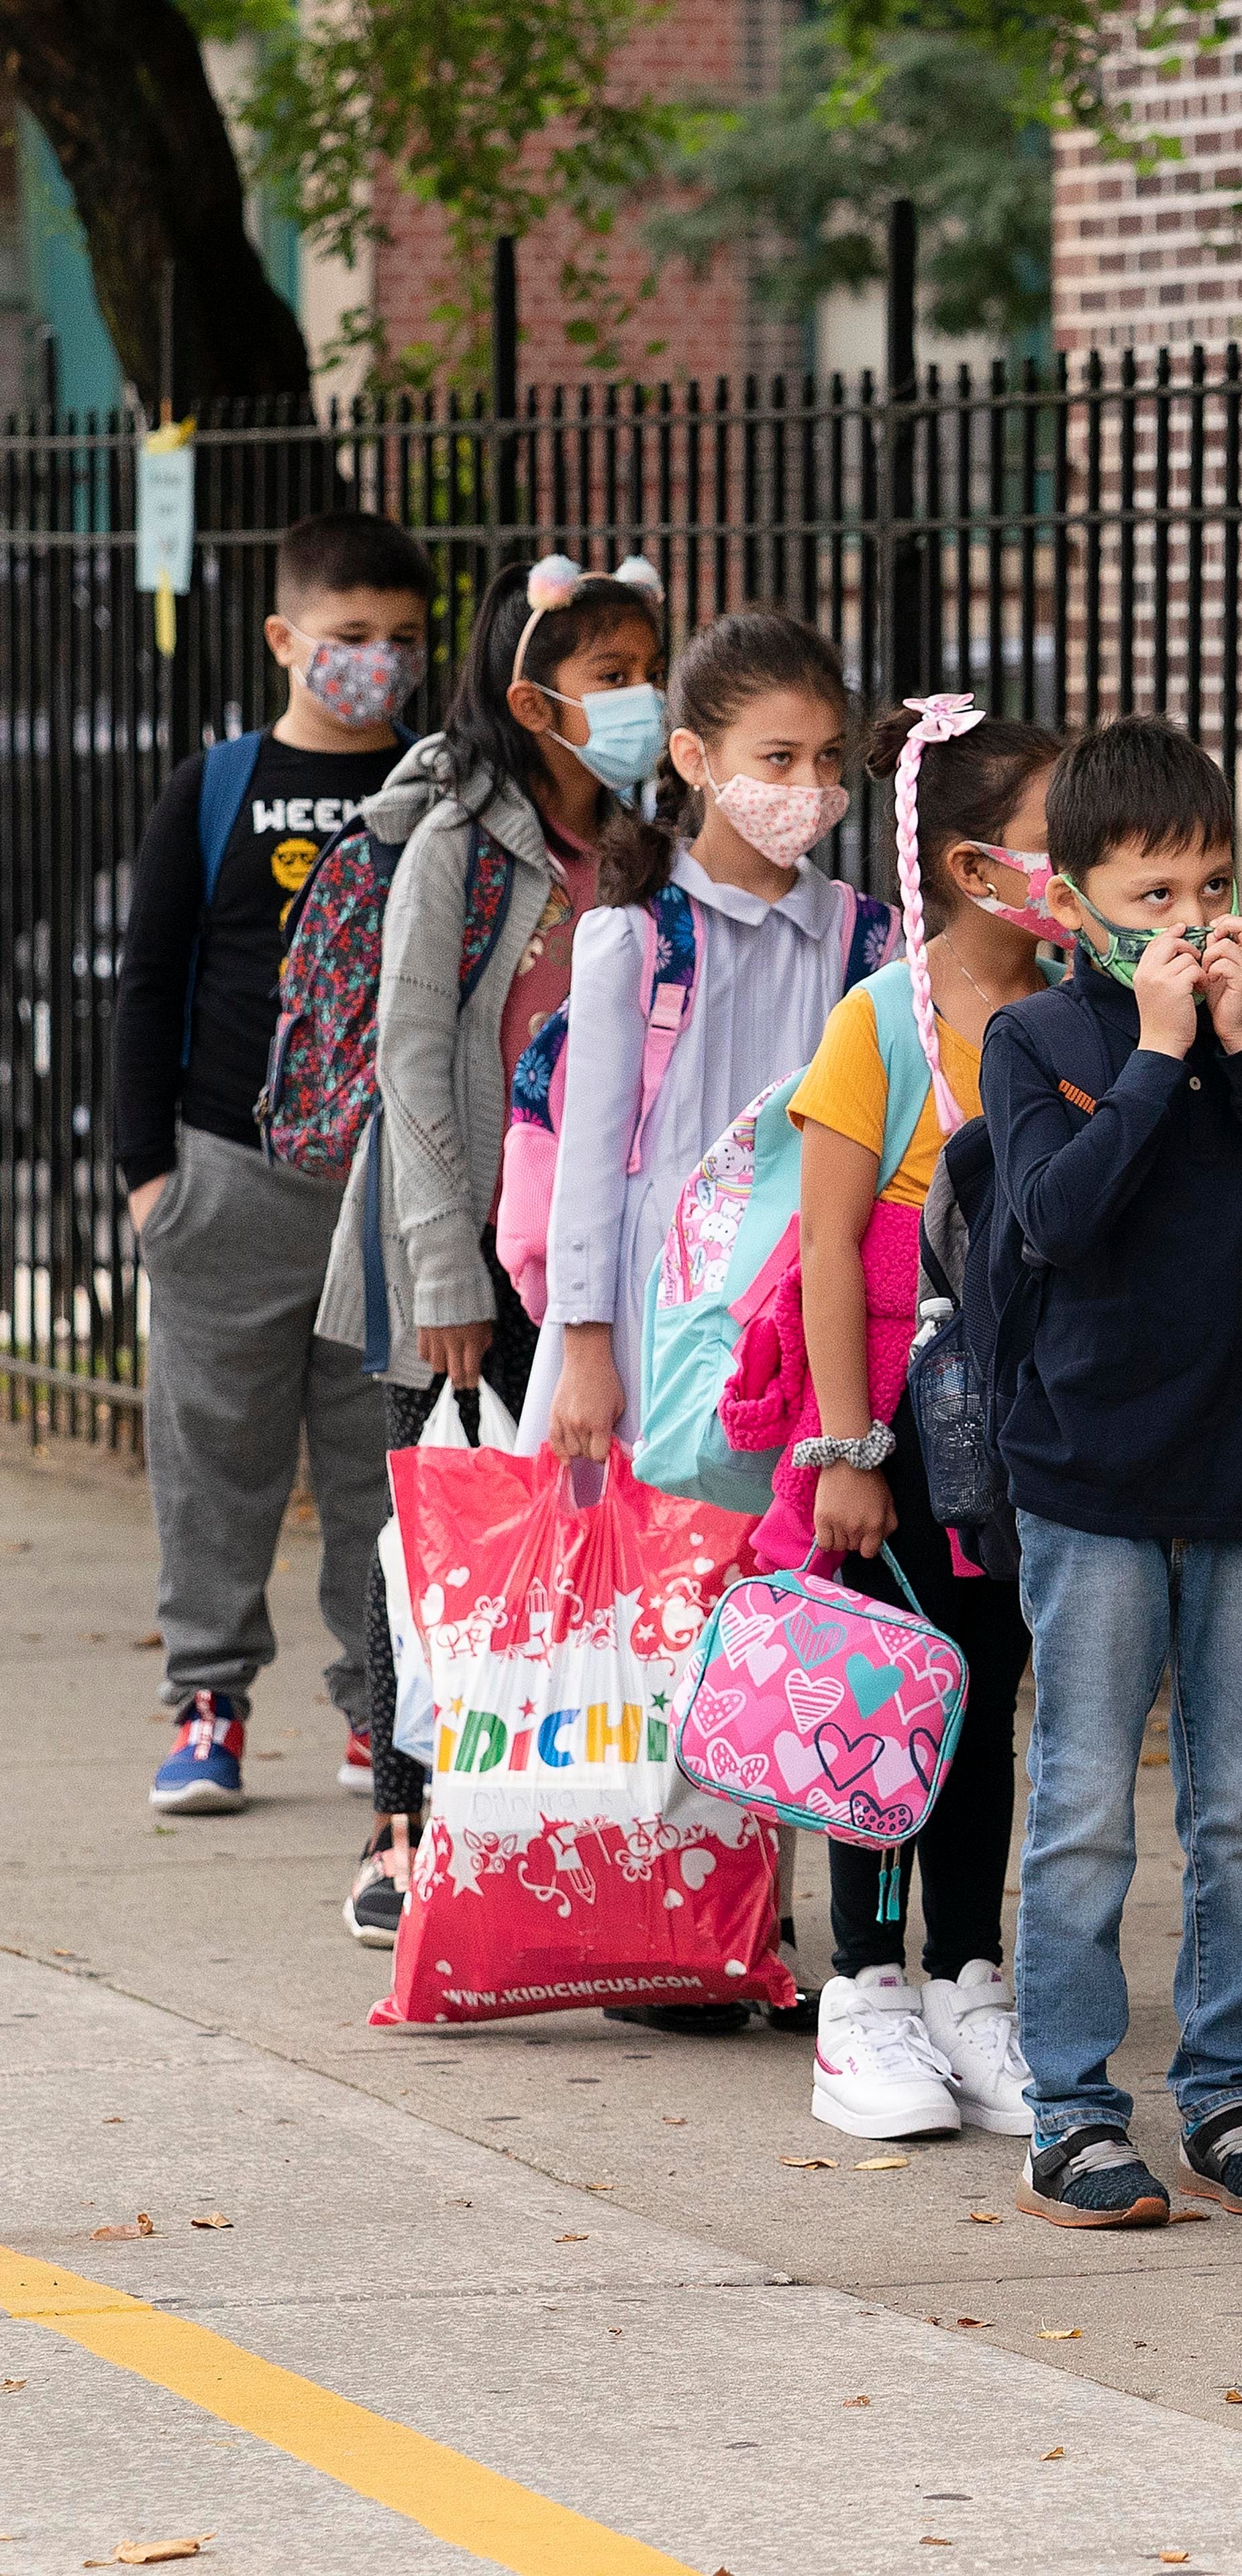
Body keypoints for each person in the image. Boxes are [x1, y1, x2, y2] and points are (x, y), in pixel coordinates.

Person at [978, 713, 1242, 2228]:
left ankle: (1225, 2087)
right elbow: (1054, 1221)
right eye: (1150, 900)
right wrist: (1155, 1059)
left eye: (1208, 890)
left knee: (1238, 1803)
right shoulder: (1037, 1041)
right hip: (1091, 1474)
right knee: (1080, 1804)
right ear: (1072, 905)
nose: (1187, 926)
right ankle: (1069, 2106)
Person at [327, 553, 669, 1946]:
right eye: (612, 677)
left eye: (652, 669)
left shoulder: (658, 839)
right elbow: (409, 1058)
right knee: (440, 1538)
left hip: (598, 1253)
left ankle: (564, 1815)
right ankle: (402, 1831)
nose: (641, 699)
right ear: (535, 700)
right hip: (458, 1243)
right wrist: (444, 1276)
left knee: (588, 1538)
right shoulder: (461, 842)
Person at [116, 509, 435, 1824]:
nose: (379, 660)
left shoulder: (438, 781)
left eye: (405, 639)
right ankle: (208, 1701)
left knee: (380, 1462)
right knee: (214, 1453)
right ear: (285, 637)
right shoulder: (216, 785)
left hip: (393, 1191)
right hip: (227, 1174)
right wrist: (149, 1175)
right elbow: (151, 982)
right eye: (351, 636)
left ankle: (381, 1712)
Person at [772, 694, 1062, 2139]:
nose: (1083, 868)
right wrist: (847, 1448)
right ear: (972, 868)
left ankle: (969, 1978)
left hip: (1018, 1434)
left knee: (985, 1705)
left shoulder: (1084, 1014)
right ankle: (865, 1995)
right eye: (1055, 844)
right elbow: (828, 1246)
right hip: (892, 1423)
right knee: (888, 1706)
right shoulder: (883, 1020)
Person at [524, 608, 882, 1464]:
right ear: (696, 759)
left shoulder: (863, 940)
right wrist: (585, 1355)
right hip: (649, 1328)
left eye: (828, 757)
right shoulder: (636, 938)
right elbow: (590, 1168)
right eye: (779, 759)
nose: (810, 784)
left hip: (798, 1322)